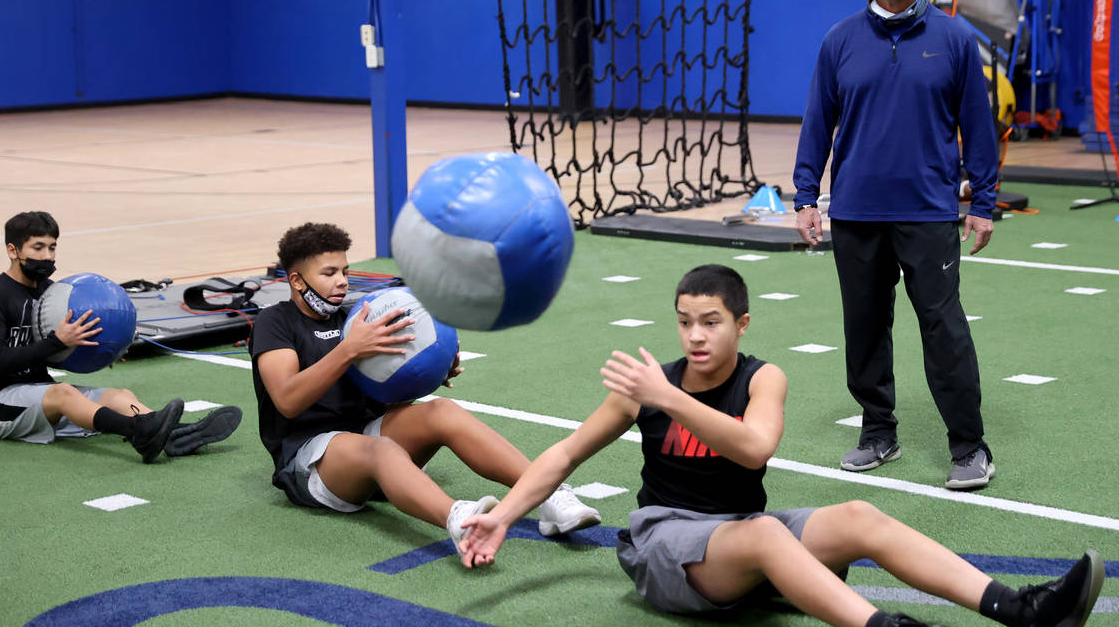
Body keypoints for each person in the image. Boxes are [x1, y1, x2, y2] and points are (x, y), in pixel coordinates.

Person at [455, 264, 1103, 627]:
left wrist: (672, 399)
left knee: (858, 517)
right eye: (684, 322)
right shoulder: (649, 388)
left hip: (738, 531)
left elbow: (752, 449)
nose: (695, 337)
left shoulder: (762, 378)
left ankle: (1019, 607)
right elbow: (566, 455)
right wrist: (504, 516)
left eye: (710, 322)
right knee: (769, 539)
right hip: (664, 542)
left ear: (740, 324)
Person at [791, 0, 1001, 489]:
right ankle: (878, 433)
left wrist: (983, 200)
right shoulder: (839, 40)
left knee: (943, 327)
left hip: (928, 211)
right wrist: (805, 194)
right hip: (857, 212)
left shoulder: (954, 40)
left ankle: (969, 446)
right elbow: (818, 123)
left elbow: (978, 130)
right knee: (863, 327)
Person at [248, 222, 600, 548]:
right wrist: (349, 349)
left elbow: (381, 394)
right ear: (296, 281)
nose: (341, 281)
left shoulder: (354, 318)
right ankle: (459, 519)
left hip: (365, 438)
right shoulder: (275, 322)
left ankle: (549, 495)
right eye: (329, 273)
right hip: (312, 460)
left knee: (441, 411)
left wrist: (427, 372)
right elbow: (287, 400)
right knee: (383, 449)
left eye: (344, 271)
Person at [0, 211, 242, 462]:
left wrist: (105, 347)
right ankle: (141, 432)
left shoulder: (51, 293)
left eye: (52, 247)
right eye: (38, 248)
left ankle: (175, 434)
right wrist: (57, 341)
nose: (48, 256)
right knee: (64, 393)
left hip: (40, 394)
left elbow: (57, 354)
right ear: (12, 250)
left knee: (119, 395)